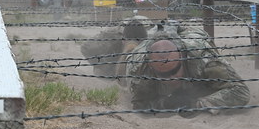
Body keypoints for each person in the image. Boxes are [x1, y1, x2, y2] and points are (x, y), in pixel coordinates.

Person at [80, 18, 250, 114]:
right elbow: (140, 104)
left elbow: (240, 91)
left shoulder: (204, 59)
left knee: (187, 32)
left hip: (189, 36)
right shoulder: (140, 70)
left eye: (174, 72)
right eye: (164, 76)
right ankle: (131, 41)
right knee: (114, 71)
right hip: (145, 46)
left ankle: (165, 27)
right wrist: (165, 104)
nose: (171, 80)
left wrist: (199, 103)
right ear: (153, 70)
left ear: (182, 61)